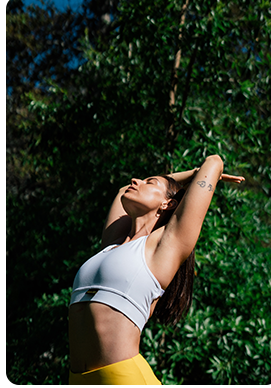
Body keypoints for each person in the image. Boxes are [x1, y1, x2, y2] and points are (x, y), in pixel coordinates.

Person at [68, 155, 245, 385]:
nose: (136, 181)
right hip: (78, 380)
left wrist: (195, 176)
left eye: (149, 182)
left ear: (168, 203)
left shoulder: (163, 247)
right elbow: (123, 189)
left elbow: (213, 162)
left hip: (122, 378)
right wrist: (187, 174)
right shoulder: (112, 245)